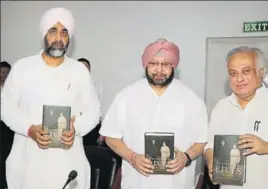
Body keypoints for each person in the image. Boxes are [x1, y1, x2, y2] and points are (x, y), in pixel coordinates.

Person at [1, 7, 101, 189]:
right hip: (29, 162)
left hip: (68, 162)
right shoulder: (23, 67)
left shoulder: (79, 71)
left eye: (64, 33)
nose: (58, 39)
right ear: (44, 34)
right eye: (53, 31)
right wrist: (29, 129)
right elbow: (5, 107)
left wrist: (75, 128)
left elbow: (94, 111)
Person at [99, 38, 208, 189]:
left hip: (178, 183)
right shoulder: (126, 96)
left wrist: (186, 157)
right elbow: (110, 136)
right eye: (153, 63)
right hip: (137, 183)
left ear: (173, 66)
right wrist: (132, 157)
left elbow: (203, 140)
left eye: (165, 64)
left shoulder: (191, 100)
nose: (159, 70)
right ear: (145, 65)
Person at [204, 46, 268, 189]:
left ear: (261, 73)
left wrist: (265, 147)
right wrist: (211, 163)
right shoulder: (221, 107)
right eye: (233, 73)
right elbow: (209, 146)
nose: (239, 79)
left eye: (246, 71)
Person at [0, 61, 13, 189]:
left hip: (8, 126)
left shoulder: (11, 90)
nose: (4, 75)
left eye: (7, 72)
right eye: (2, 72)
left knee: (9, 154)